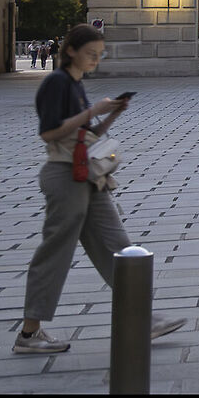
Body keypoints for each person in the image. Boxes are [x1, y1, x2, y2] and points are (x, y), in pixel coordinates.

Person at [16, 25, 185, 353]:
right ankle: (29, 333)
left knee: (118, 247)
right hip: (66, 177)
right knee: (56, 252)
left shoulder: (76, 84)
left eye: (100, 54)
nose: (95, 59)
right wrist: (94, 110)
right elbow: (49, 133)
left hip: (88, 175)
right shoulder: (57, 82)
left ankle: (143, 319)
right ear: (71, 51)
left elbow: (85, 133)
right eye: (90, 54)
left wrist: (111, 115)